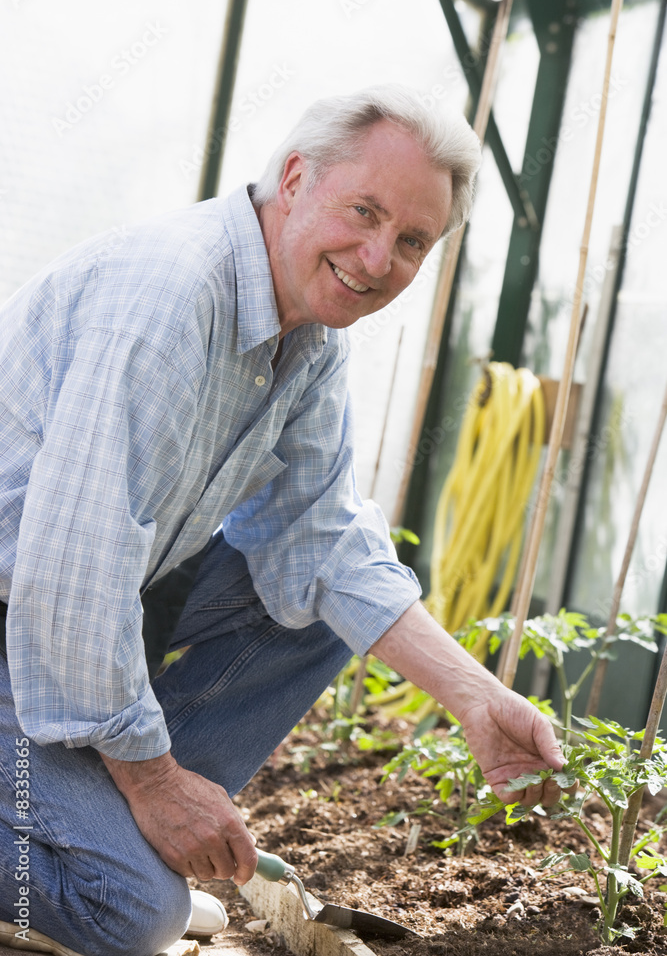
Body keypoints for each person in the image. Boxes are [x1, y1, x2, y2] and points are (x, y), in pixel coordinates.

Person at [0, 85, 565, 956]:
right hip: (25, 611)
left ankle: (101, 828)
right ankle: (114, 843)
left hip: (45, 613)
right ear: (295, 176)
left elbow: (326, 541)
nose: (378, 259)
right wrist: (154, 785)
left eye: (411, 240)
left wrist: (477, 698)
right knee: (130, 914)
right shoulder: (168, 300)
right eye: (364, 212)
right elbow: (71, 576)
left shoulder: (307, 337)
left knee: (321, 602)